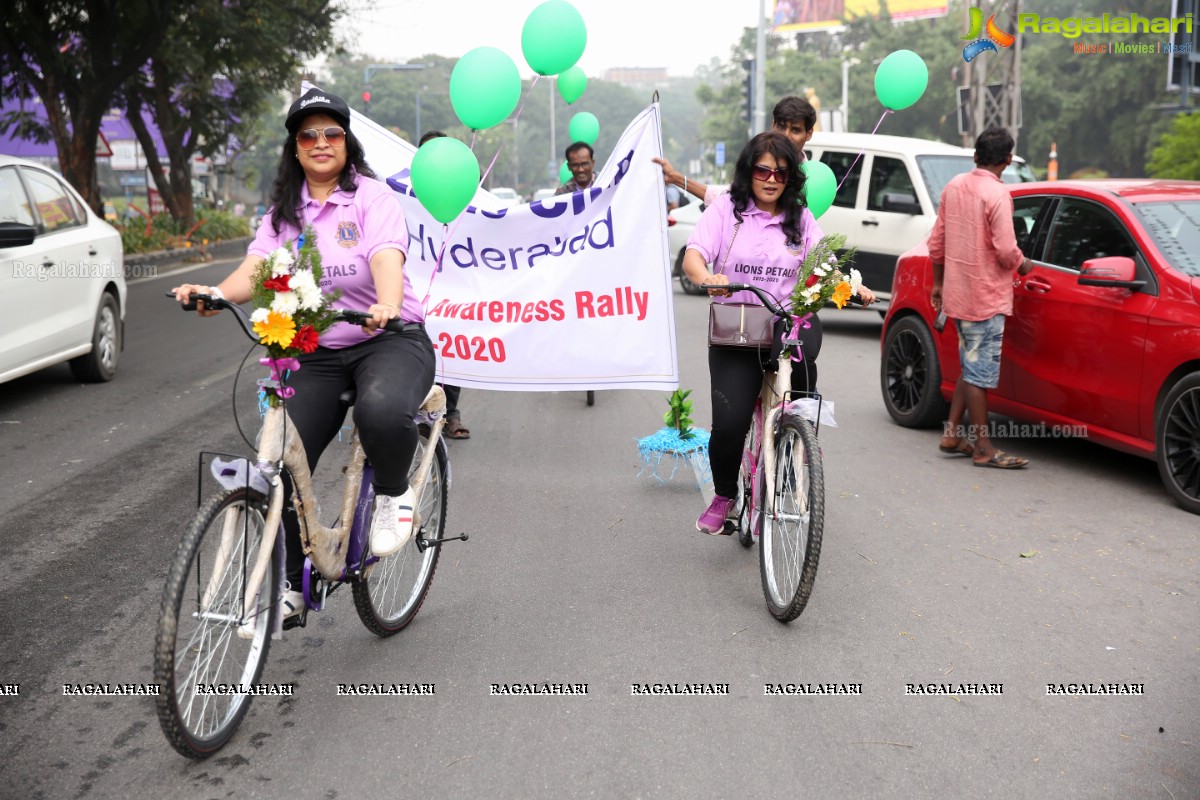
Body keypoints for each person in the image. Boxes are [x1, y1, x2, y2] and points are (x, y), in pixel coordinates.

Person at [172, 88, 436, 621]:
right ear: (295, 148)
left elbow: (387, 257)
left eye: (331, 133)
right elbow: (257, 269)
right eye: (308, 134)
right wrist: (219, 294)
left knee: (381, 411)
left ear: (347, 142)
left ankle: (391, 494)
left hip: (387, 339)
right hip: (315, 350)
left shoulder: (372, 199)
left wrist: (387, 304)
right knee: (285, 460)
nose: (320, 142)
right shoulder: (282, 214)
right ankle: (297, 582)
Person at [682, 131, 874, 534]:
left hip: (789, 321)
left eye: (781, 173)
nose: (771, 179)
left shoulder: (801, 218)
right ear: (748, 171)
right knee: (730, 424)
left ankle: (798, 436)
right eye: (763, 170)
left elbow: (825, 263)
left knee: (804, 358)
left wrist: (850, 286)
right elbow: (694, 256)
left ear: (791, 179)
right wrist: (708, 278)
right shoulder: (725, 212)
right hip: (737, 327)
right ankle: (724, 497)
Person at [929, 126, 1033, 470]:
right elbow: (1006, 250)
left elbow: (937, 243)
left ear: (976, 156)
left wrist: (939, 284)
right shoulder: (998, 194)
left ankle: (952, 433)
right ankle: (984, 447)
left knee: (969, 365)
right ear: (1006, 160)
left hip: (958, 294)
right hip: (985, 297)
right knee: (977, 373)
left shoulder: (954, 186)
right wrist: (1023, 263)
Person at [654, 95, 819, 206]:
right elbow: (726, 197)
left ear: (809, 134)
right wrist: (675, 178)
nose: (786, 136)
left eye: (795, 130)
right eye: (781, 127)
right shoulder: (753, 163)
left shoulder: (812, 181)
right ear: (772, 125)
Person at [418, 129, 471, 439]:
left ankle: (451, 414)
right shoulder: (401, 196)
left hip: (452, 291)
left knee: (451, 349)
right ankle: (419, 411)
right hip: (413, 291)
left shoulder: (463, 195)